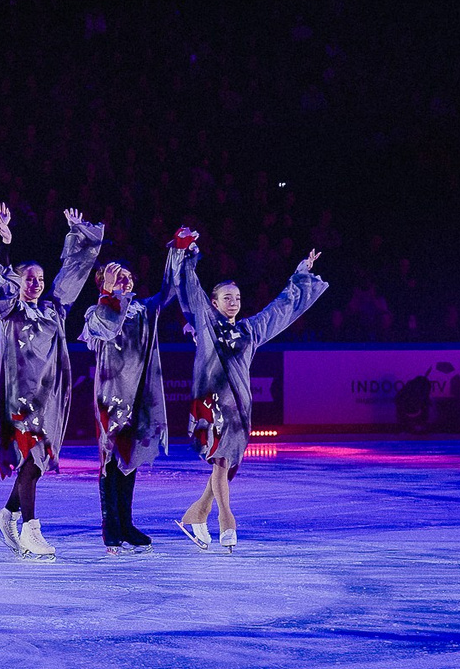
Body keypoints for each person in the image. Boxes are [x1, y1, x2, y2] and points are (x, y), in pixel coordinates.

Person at [167, 227, 327, 550]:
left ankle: (196, 514)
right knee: (222, 463)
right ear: (214, 302)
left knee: (226, 467)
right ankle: (227, 520)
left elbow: (279, 310)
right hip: (210, 406)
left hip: (239, 409)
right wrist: (185, 251)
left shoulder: (249, 330)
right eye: (227, 298)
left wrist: (300, 274)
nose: (234, 302)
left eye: (237, 298)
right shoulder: (207, 324)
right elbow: (190, 289)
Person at [0, 204, 106, 561]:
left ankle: (6, 515)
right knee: (30, 459)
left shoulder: (54, 309)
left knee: (37, 462)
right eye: (29, 278)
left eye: (40, 278)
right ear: (18, 282)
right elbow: (0, 280)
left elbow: (74, 271)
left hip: (51, 398)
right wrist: (4, 242)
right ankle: (30, 529)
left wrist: (76, 234)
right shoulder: (9, 309)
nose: (36, 283)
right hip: (20, 400)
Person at [77, 251, 174, 553]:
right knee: (109, 455)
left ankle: (126, 522)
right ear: (102, 283)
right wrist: (108, 293)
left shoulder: (144, 309)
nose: (124, 279)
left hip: (140, 393)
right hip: (111, 393)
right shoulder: (96, 312)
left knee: (130, 457)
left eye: (127, 275)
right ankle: (111, 525)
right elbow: (106, 326)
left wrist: (177, 252)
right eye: (116, 276)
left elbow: (169, 290)